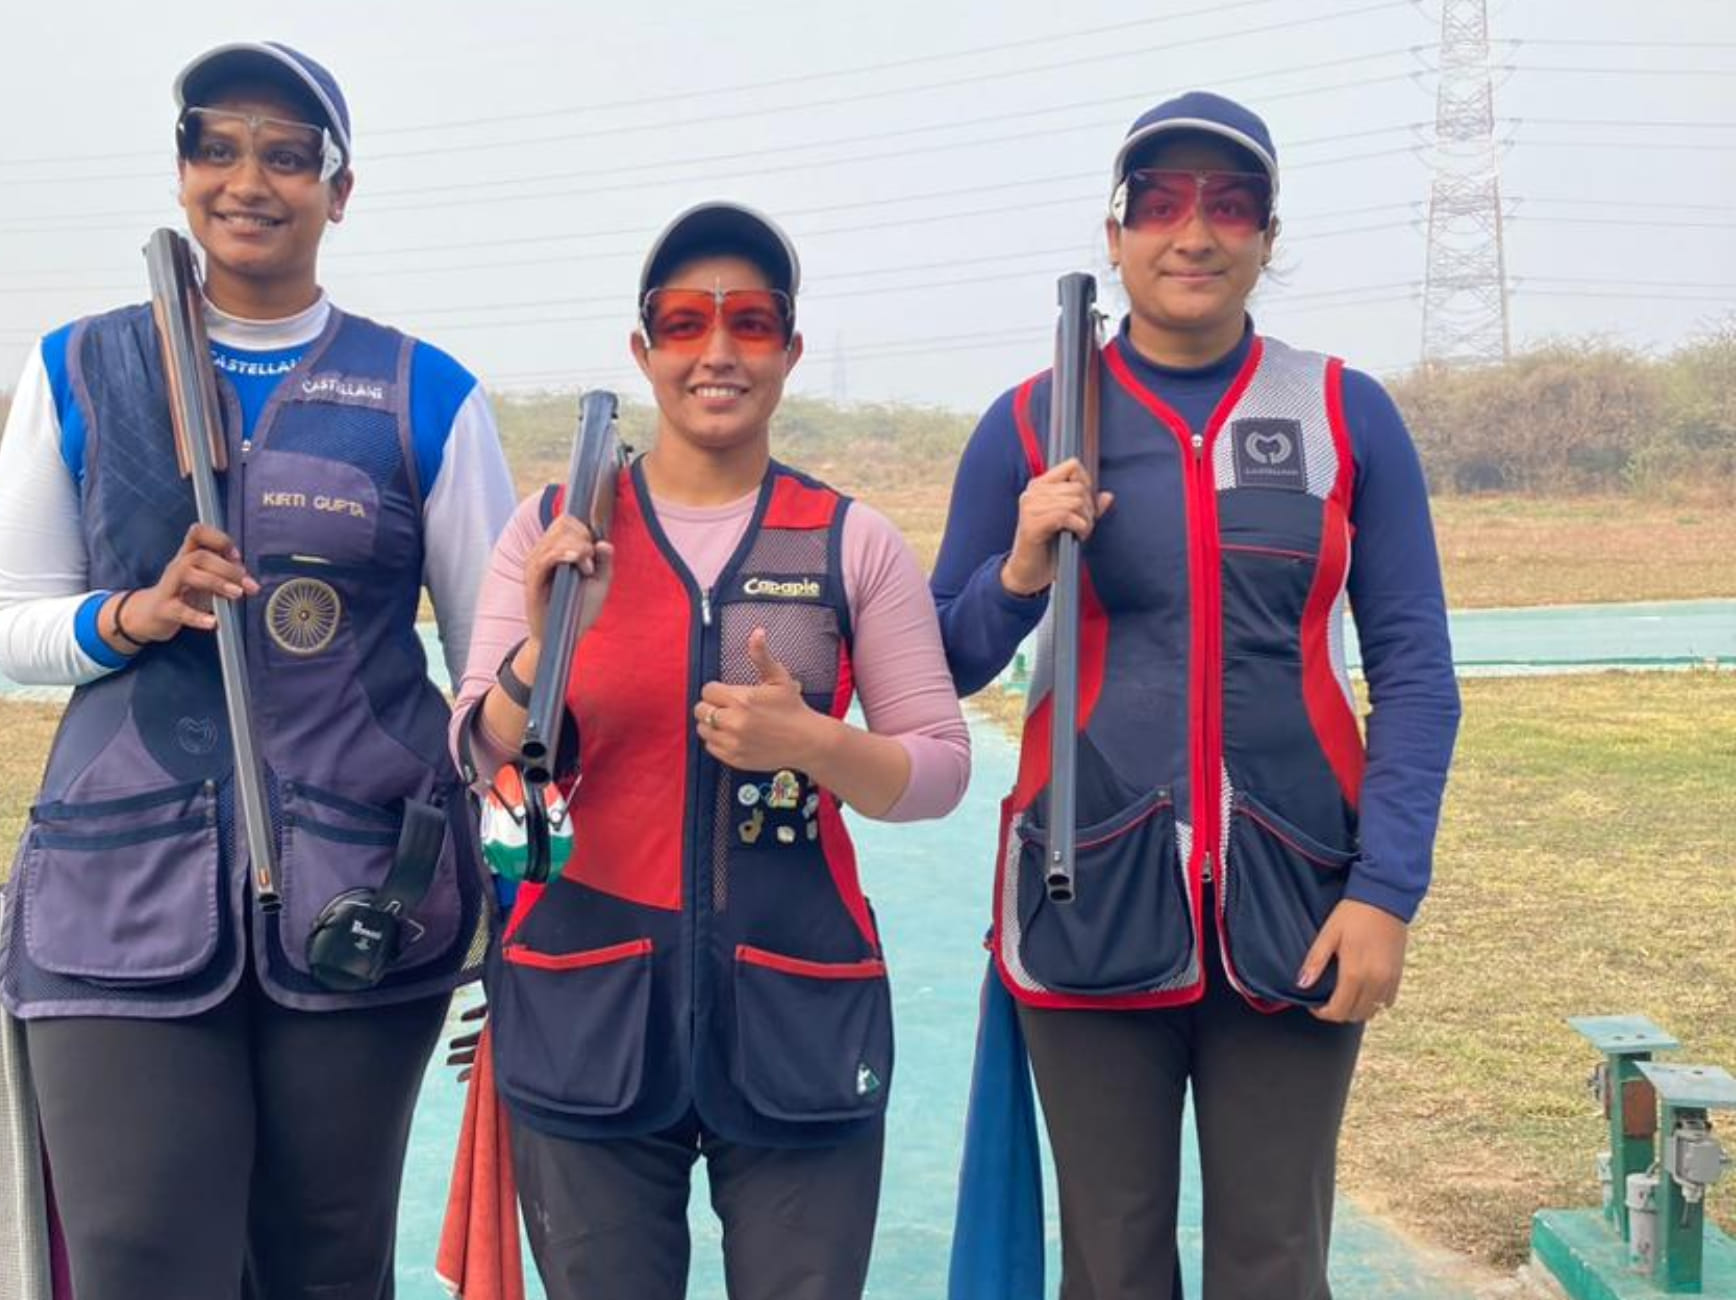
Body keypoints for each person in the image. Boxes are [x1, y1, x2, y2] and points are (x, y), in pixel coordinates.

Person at [0, 41, 515, 1299]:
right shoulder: (78, 369)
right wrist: (134, 613)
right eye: (216, 147)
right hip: (118, 888)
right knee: (141, 1259)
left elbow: (493, 661)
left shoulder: (422, 393)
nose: (247, 179)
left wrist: (516, 856)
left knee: (325, 1260)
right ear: (179, 173)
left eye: (285, 154)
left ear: (339, 188)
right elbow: (12, 623)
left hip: (361, 898)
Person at [932, 92, 1461, 1299]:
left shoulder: (1342, 412)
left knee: (1273, 1263)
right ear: (1114, 232)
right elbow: (942, 660)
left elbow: (1415, 671)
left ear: (1267, 235)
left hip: (1300, 904)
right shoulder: (1027, 420)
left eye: (1228, 206)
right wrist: (1018, 567)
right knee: (1110, 1267)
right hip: (1086, 892)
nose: (1193, 232)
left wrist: (1384, 891)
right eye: (1159, 203)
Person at [449, 201, 971, 1300]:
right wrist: (544, 645)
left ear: (787, 346)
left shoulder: (849, 539)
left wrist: (814, 741)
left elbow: (935, 765)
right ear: (643, 352)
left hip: (797, 1015)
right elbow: (473, 746)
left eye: (749, 320)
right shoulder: (549, 528)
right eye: (684, 323)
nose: (717, 351)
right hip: (584, 1009)